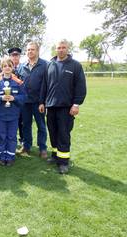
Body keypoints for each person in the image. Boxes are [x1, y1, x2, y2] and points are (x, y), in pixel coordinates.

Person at [39, 39, 87, 174]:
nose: (61, 49)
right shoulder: (50, 65)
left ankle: (64, 162)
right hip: (51, 106)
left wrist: (76, 104)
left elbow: (81, 87)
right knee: (53, 132)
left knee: (63, 134)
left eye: (63, 47)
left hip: (66, 107)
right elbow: (45, 85)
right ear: (56, 49)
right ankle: (55, 156)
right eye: (59, 47)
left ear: (68, 49)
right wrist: (42, 102)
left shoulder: (75, 66)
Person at [0, 58, 26, 166]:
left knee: (11, 136)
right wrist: (0, 98)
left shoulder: (18, 82)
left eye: (9, 66)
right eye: (5, 66)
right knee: (1, 135)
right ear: (2, 68)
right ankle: (2, 156)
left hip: (13, 115)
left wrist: (14, 98)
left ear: (13, 67)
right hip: (0, 115)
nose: (7, 68)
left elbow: (24, 97)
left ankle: (10, 156)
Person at [17, 42, 48, 159]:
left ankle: (42, 148)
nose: (30, 52)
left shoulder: (45, 65)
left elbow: (46, 85)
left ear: (37, 51)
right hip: (25, 102)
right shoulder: (21, 66)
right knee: (26, 125)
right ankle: (26, 146)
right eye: (28, 50)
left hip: (38, 102)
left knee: (41, 125)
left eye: (32, 50)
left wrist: (42, 102)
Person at [8, 47, 24, 148]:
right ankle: (10, 140)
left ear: (19, 56)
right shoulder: (6, 67)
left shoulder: (23, 67)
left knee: (22, 121)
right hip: (7, 100)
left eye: (16, 55)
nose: (15, 57)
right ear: (10, 56)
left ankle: (22, 140)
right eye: (13, 55)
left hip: (19, 99)